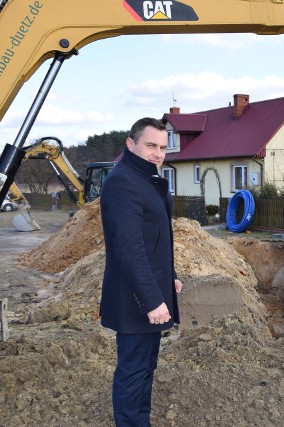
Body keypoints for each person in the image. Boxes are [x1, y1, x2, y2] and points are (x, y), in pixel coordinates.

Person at [99, 117, 182, 426]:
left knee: (145, 367)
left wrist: (169, 275)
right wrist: (151, 299)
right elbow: (129, 248)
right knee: (133, 371)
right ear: (130, 144)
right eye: (151, 145)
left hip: (150, 290)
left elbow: (155, 239)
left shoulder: (145, 180)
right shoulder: (123, 181)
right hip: (135, 298)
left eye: (162, 147)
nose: (158, 153)